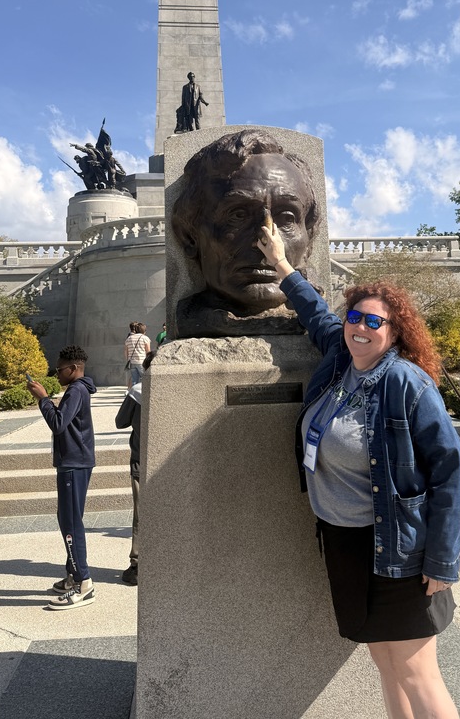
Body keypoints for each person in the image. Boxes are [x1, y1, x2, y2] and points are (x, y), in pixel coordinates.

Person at [256, 221, 460, 719]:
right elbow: (316, 313)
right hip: (347, 544)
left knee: (419, 673)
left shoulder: (407, 383)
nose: (360, 328)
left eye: (376, 322)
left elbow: (448, 472)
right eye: (356, 317)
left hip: (400, 548)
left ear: (395, 333)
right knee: (384, 661)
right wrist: (282, 265)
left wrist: (442, 561)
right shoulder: (338, 361)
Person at [171, 128, 320, 336]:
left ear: (309, 235)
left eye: (286, 217)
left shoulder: (326, 329)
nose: (267, 241)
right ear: (188, 234)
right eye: (238, 216)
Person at [27, 345, 97, 610]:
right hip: (76, 461)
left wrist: (43, 399)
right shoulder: (78, 390)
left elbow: (58, 425)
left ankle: (84, 583)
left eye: (59, 369)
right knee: (68, 518)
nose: (56, 373)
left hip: (73, 464)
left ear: (73, 369)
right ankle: (73, 574)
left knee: (70, 524)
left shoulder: (76, 390)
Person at [120, 349, 155, 586]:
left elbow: (120, 421)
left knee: (142, 515)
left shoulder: (138, 392)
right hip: (171, 462)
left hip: (142, 460)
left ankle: (138, 564)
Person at [124, 322, 151, 388]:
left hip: (132, 362)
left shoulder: (129, 338)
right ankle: (144, 395)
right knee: (145, 379)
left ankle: (135, 395)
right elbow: (148, 351)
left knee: (134, 381)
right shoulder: (145, 338)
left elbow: (125, 351)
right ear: (144, 330)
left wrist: (128, 359)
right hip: (142, 361)